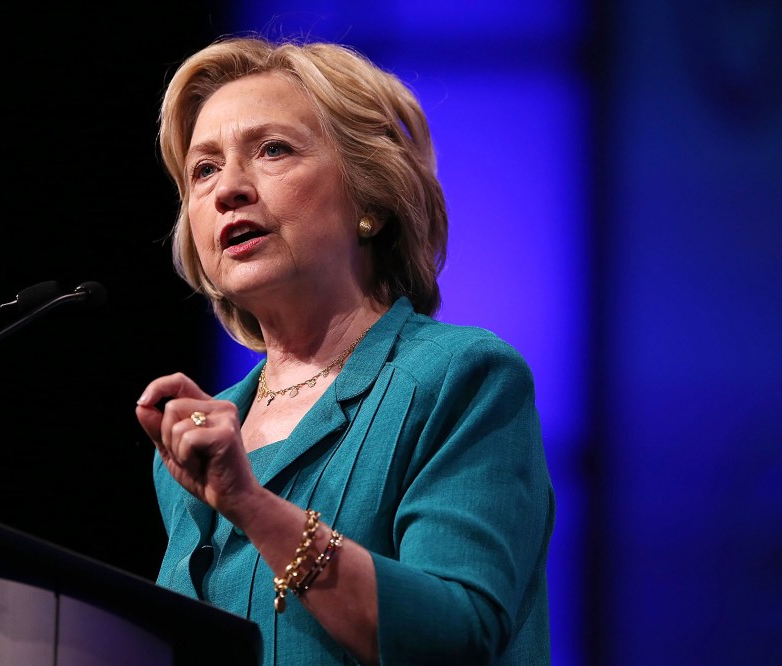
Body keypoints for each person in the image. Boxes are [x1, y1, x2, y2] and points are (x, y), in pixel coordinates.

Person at [135, 34, 555, 666]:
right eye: (204, 169)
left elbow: (456, 639)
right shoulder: (199, 436)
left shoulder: (460, 379)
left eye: (272, 150)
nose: (228, 190)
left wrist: (252, 506)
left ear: (370, 200)